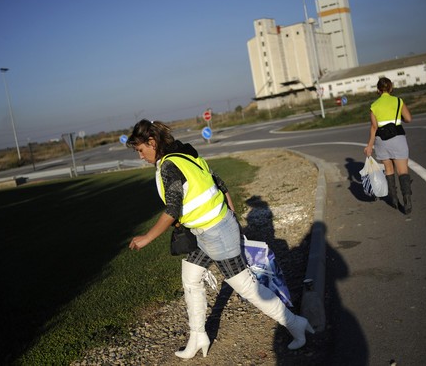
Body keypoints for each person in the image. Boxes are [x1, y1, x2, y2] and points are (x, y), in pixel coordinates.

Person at [126, 119, 313, 359]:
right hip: (209, 231)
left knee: (247, 287)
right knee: (191, 276)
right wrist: (230, 216)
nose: (140, 156)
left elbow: (172, 209)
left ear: (152, 142)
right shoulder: (184, 154)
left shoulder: (169, 166)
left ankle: (295, 323)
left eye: (141, 150)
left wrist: (147, 238)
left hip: (215, 234)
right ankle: (197, 336)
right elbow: (219, 182)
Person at [363, 77, 413, 214]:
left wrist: (369, 146)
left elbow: (374, 127)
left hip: (381, 140)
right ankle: (407, 201)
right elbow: (408, 119)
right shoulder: (398, 101)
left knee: (389, 169)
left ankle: (394, 199)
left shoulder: (374, 106)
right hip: (397, 137)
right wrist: (399, 118)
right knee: (403, 171)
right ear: (390, 88)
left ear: (378, 90)